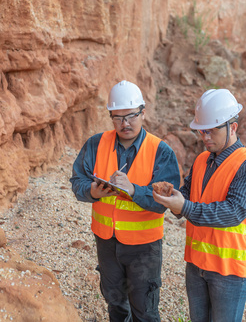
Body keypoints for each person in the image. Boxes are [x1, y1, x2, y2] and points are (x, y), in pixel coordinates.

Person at [153, 89, 246, 322]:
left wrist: (183, 207)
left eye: (211, 130)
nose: (205, 137)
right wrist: (172, 197)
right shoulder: (201, 160)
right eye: (201, 130)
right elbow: (188, 196)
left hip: (230, 273)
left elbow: (232, 212)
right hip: (196, 266)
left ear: (232, 127)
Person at [70, 80, 181, 321]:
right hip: (107, 243)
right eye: (117, 117)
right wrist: (92, 191)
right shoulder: (96, 144)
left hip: (144, 247)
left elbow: (166, 202)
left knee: (145, 311)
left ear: (143, 112)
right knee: (116, 305)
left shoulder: (161, 152)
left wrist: (133, 190)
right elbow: (76, 182)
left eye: (131, 116)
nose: (125, 123)